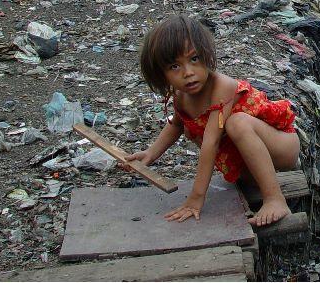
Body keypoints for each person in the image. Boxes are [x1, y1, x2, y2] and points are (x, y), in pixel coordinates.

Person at [123, 15, 300, 226]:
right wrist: (151, 154)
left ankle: (275, 199)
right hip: (248, 162)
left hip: (281, 147)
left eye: (194, 59)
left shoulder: (221, 87)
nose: (188, 73)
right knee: (191, 128)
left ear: (206, 56)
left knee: (237, 123)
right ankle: (257, 183)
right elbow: (176, 125)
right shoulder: (181, 97)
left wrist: (196, 198)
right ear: (161, 74)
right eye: (174, 67)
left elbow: (211, 142)